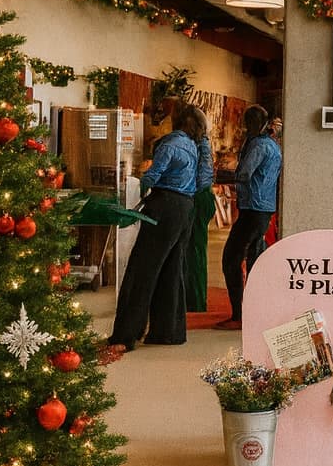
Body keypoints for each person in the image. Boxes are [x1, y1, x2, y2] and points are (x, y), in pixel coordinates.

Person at [107, 104, 206, 354]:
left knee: (142, 269)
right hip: (186, 207)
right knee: (172, 270)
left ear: (176, 122)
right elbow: (204, 179)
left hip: (165, 205)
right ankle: (168, 331)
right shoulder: (195, 145)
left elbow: (152, 176)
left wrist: (141, 188)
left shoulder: (170, 143)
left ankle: (126, 334)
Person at [216, 105, 282, 330]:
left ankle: (238, 314)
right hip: (263, 208)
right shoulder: (272, 145)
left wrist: (220, 176)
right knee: (254, 260)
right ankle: (253, 312)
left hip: (253, 208)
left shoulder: (258, 145)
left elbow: (244, 174)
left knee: (231, 259)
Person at [182, 106, 216, 313]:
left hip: (197, 196)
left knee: (194, 250)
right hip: (201, 195)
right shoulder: (202, 144)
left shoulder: (199, 145)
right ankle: (193, 297)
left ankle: (195, 299)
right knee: (194, 250)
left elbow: (200, 176)